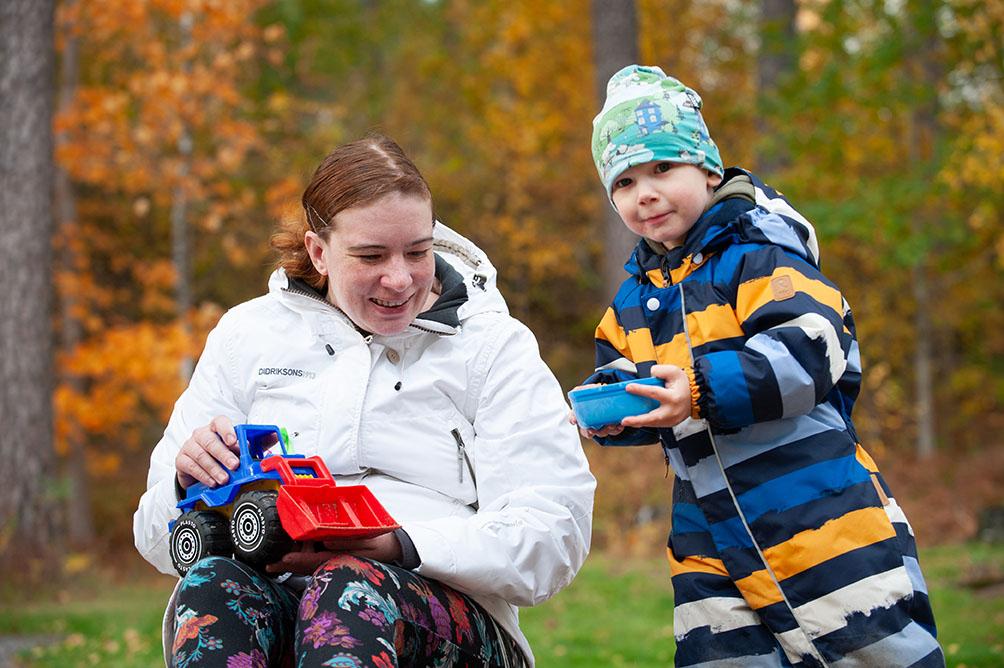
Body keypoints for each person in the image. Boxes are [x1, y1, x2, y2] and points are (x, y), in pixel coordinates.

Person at [134, 133, 596, 668]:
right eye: (371, 256)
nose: (400, 278)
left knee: (346, 588)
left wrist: (402, 544)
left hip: (441, 615)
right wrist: (185, 483)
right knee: (211, 587)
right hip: (281, 591)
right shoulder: (246, 336)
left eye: (418, 252)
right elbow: (154, 536)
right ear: (318, 252)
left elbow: (554, 531)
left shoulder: (492, 346)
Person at [573, 65, 943, 667]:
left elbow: (815, 346)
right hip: (707, 536)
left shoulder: (760, 257)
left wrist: (696, 389)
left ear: (708, 168)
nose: (644, 193)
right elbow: (631, 380)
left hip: (818, 511)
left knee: (875, 650)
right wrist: (612, 411)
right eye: (624, 181)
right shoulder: (630, 305)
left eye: (663, 168)